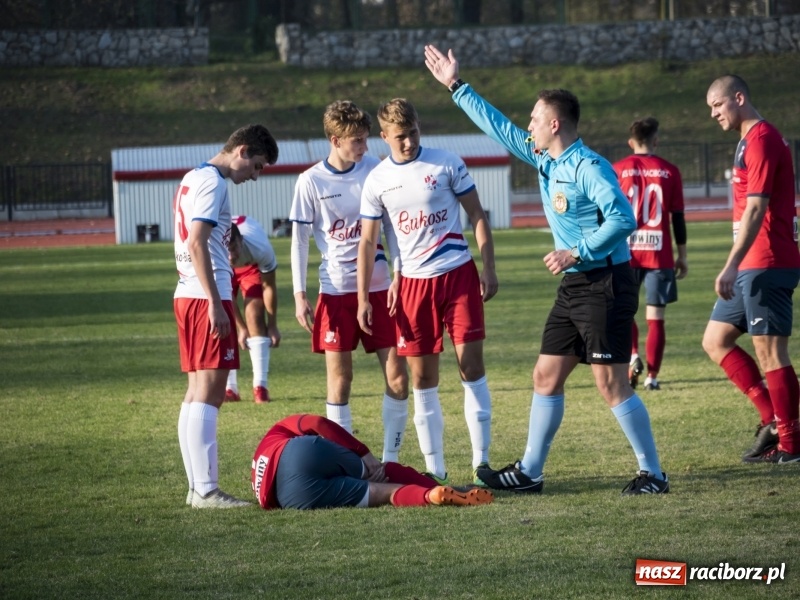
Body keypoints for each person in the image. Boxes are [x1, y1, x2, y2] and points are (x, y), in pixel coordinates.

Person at [423, 44, 668, 495]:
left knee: (611, 383)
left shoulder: (589, 166)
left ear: (555, 125)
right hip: (576, 287)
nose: (528, 125)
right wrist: (457, 86)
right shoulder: (545, 158)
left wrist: (576, 251)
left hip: (606, 283)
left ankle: (653, 473)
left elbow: (623, 218)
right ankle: (530, 473)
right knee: (545, 375)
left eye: (535, 119)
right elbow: (500, 128)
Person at [357, 97, 498, 486]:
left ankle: (482, 463)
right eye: (400, 137)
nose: (408, 142)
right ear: (384, 137)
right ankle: (435, 470)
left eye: (414, 133)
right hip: (414, 288)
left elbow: (477, 215)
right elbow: (369, 243)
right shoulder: (378, 181)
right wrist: (363, 297)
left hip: (458, 276)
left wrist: (488, 267)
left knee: (471, 367)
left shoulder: (447, 162)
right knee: (422, 379)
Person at [289, 100, 410, 461]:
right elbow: (298, 240)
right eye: (356, 140)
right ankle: (345, 460)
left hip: (379, 289)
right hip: (336, 292)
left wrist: (398, 273)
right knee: (340, 382)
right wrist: (299, 294)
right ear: (334, 139)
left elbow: (391, 227)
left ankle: (390, 460)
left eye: (365, 138)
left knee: (398, 378)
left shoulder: (377, 169)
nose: (364, 147)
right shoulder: (310, 181)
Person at [173, 124, 279, 508]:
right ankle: (205, 489)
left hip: (189, 294)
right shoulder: (213, 183)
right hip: (204, 297)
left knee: (196, 393)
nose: (254, 176)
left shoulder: (193, 176)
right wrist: (216, 302)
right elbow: (196, 241)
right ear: (243, 151)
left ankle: (196, 487)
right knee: (210, 393)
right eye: (257, 166)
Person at [702, 74, 800, 463]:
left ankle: (791, 445)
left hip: (768, 262)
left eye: (718, 105)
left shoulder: (761, 138)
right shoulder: (747, 139)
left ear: (738, 98)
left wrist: (730, 264)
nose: (713, 114)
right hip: (752, 263)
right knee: (715, 340)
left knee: (771, 352)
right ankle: (774, 420)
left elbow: (757, 209)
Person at [251, 413, 494, 510]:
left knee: (385, 493)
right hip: (298, 452)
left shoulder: (257, 474)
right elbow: (316, 424)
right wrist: (363, 452)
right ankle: (431, 486)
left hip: (290, 496)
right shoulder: (277, 430)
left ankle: (430, 497)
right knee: (379, 471)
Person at [613, 117, 688, 391]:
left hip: (626, 253)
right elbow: (677, 217)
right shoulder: (670, 171)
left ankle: (633, 354)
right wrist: (683, 254)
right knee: (656, 316)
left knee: (625, 311)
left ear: (631, 142)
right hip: (659, 254)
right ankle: (652, 378)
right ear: (655, 140)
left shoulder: (618, 169)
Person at [224, 215, 280, 404]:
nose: (231, 256)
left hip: (250, 266)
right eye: (227, 250)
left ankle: (260, 386)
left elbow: (269, 287)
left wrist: (272, 325)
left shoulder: (259, 248)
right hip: (223, 269)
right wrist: (241, 328)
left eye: (234, 248)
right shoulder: (215, 251)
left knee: (254, 314)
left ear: (241, 241)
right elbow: (226, 296)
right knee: (222, 317)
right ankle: (229, 388)